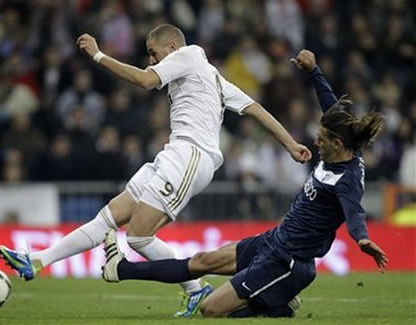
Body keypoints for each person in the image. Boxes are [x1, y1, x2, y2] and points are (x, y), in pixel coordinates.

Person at [0, 24, 311, 317]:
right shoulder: (212, 78)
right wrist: (289, 143)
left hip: (191, 156)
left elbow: (145, 80)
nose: (151, 59)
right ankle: (38, 261)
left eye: (153, 52)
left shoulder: (189, 55)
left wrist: (97, 55)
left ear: (172, 46)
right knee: (108, 218)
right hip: (173, 154)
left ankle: (202, 288)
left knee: (137, 238)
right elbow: (255, 108)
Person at [100, 49, 389, 318]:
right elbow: (331, 104)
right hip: (273, 240)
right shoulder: (344, 142)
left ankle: (276, 304)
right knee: (201, 260)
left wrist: (362, 238)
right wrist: (314, 71)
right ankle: (120, 269)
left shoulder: (347, 180)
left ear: (337, 144)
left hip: (288, 262)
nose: (316, 142)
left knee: (211, 310)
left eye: (322, 140)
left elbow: (354, 213)